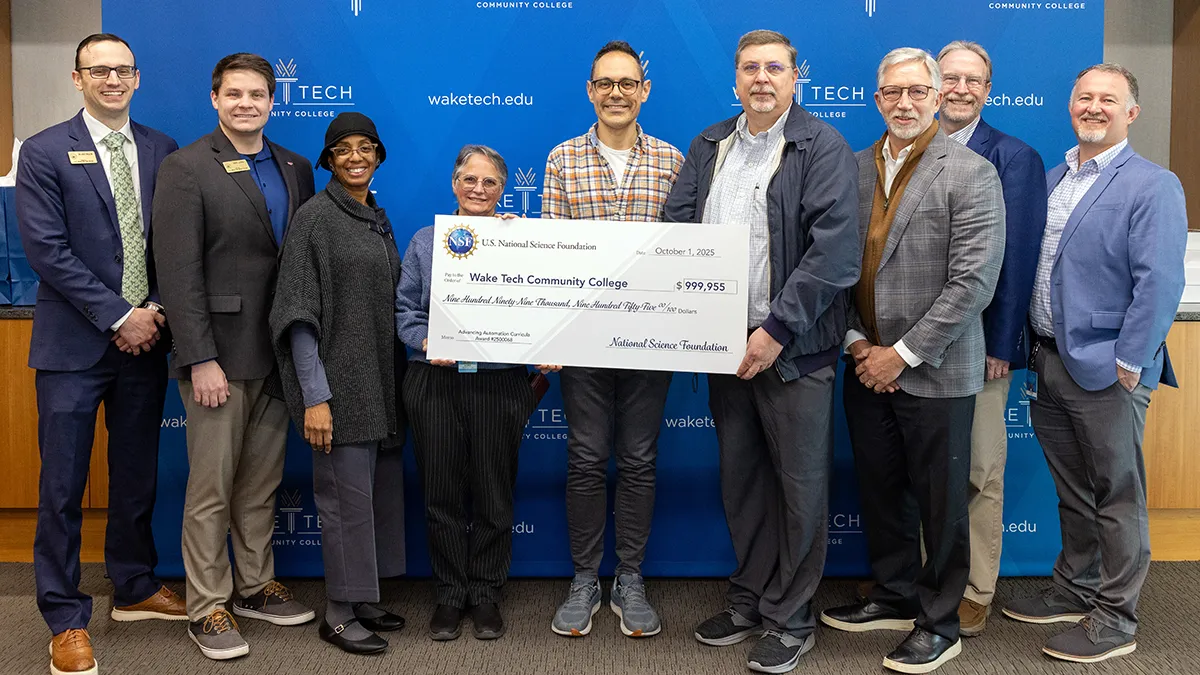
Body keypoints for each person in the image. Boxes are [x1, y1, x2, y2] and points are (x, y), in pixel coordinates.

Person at [663, 29, 861, 674]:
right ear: (736, 78)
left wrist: (775, 330)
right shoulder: (710, 143)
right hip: (722, 344)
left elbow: (834, 253)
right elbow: (676, 225)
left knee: (800, 487)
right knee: (742, 479)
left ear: (795, 76)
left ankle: (792, 616)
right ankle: (750, 596)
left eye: (774, 68)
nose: (761, 79)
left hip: (791, 348)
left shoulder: (820, 145)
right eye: (750, 68)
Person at [818, 48, 1004, 674]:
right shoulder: (849, 167)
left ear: (936, 96)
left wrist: (901, 354)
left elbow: (973, 283)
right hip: (862, 360)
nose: (905, 103)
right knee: (881, 490)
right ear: (876, 99)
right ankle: (896, 594)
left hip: (935, 369)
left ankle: (940, 622)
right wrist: (857, 346)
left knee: (942, 504)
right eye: (892, 93)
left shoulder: (971, 171)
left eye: (917, 92)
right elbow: (833, 270)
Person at [1002, 63, 1187, 664]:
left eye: (1110, 100)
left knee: (1117, 494)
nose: (1095, 107)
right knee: (1074, 489)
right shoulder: (1055, 178)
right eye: (1085, 97)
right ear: (1071, 105)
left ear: (1132, 112)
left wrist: (1131, 359)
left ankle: (1116, 618)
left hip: (1109, 368)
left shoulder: (1153, 185)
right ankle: (1076, 587)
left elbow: (1158, 281)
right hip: (1048, 361)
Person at [15, 32, 184, 675]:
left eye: (123, 70)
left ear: (136, 78)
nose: (112, 80)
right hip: (71, 347)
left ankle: (135, 585)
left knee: (136, 473)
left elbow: (173, 245)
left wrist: (155, 312)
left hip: (146, 343)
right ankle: (63, 615)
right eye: (98, 71)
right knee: (62, 484)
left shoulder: (163, 149)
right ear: (77, 78)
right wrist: (120, 315)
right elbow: (46, 250)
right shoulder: (43, 150)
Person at [152, 52, 316, 660]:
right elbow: (177, 271)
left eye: (258, 95)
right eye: (235, 94)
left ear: (273, 102)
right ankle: (207, 605)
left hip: (277, 353)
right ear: (215, 99)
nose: (247, 104)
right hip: (217, 357)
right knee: (212, 488)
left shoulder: (295, 166)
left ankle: (253, 586)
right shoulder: (186, 167)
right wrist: (199, 357)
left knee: (259, 485)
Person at [543, 39, 683, 641]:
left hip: (654, 340)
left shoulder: (674, 160)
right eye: (605, 83)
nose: (617, 93)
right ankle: (583, 579)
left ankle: (630, 577)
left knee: (639, 460)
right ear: (590, 91)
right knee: (584, 457)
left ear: (644, 91)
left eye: (628, 83)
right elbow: (550, 247)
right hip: (583, 343)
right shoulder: (562, 159)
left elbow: (689, 253)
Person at [270, 112, 407, 655]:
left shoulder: (376, 216)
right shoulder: (315, 219)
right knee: (343, 501)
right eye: (343, 149)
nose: (355, 157)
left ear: (378, 155)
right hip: (338, 389)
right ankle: (338, 612)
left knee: (374, 498)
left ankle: (364, 597)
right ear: (328, 159)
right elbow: (299, 316)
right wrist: (315, 398)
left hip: (381, 384)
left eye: (365, 148)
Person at [397, 144, 546, 642]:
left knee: (493, 490)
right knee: (440, 492)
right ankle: (448, 593)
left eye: (490, 182)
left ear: (503, 189)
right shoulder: (425, 241)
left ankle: (484, 591)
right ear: (454, 184)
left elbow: (541, 304)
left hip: (500, 381)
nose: (478, 190)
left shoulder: (522, 242)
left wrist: (548, 343)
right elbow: (405, 310)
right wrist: (425, 340)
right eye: (469, 180)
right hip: (434, 380)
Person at [935, 40, 1048, 636]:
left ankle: (976, 587)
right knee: (924, 472)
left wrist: (1004, 343)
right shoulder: (905, 151)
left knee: (980, 470)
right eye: (949, 78)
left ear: (988, 88)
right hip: (912, 350)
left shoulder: (1014, 157)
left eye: (971, 80)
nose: (959, 89)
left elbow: (1019, 259)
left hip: (982, 347)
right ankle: (929, 580)